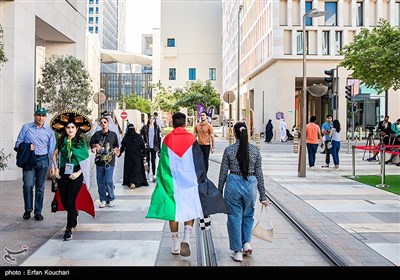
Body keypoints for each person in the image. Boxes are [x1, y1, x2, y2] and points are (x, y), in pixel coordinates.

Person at [146, 112, 228, 257]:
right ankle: (187, 238)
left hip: (172, 182)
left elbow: (163, 164)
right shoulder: (191, 139)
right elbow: (199, 162)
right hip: (189, 182)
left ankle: (175, 243)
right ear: (185, 123)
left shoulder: (167, 139)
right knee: (189, 208)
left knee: (172, 211)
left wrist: (162, 180)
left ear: (172, 123)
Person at [218, 122, 269, 262]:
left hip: (233, 182)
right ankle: (246, 243)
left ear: (234, 133)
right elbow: (259, 173)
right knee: (248, 214)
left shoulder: (229, 150)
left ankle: (237, 251)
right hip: (251, 184)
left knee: (234, 216)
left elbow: (223, 172)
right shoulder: (255, 150)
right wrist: (263, 196)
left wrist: (219, 191)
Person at [49, 110, 95, 241]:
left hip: (76, 173)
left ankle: (68, 228)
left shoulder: (80, 142)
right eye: (68, 127)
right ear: (65, 128)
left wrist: (78, 173)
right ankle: (74, 213)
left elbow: (86, 161)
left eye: (73, 127)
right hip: (63, 173)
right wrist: (56, 168)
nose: (70, 129)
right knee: (63, 200)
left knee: (70, 200)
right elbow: (54, 154)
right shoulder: (62, 141)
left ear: (77, 129)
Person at [15, 108, 56, 221]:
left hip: (43, 160)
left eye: (43, 115)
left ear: (45, 117)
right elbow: (18, 143)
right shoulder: (26, 128)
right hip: (29, 160)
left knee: (40, 187)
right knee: (28, 185)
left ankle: (38, 212)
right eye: (38, 115)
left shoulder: (49, 131)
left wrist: (52, 166)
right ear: (34, 116)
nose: (40, 117)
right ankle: (28, 209)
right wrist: (27, 146)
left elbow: (52, 150)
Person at [89, 116, 120, 208]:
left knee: (108, 180)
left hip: (110, 161)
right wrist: (95, 146)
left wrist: (115, 151)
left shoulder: (113, 135)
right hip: (99, 161)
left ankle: (111, 198)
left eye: (105, 122)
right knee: (100, 181)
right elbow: (91, 144)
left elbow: (116, 146)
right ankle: (103, 199)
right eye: (101, 123)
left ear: (108, 123)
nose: (103, 124)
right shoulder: (96, 134)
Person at [120, 124, 149, 189]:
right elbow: (143, 146)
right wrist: (145, 154)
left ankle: (132, 182)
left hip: (129, 156)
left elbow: (123, 147)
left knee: (132, 169)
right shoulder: (138, 136)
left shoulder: (126, 137)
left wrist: (119, 153)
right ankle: (134, 182)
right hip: (137, 156)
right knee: (137, 169)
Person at [140, 116, 162, 182]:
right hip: (147, 147)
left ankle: (154, 174)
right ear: (149, 120)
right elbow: (141, 136)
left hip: (154, 147)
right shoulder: (145, 127)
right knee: (147, 160)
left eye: (153, 119)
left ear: (155, 120)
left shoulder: (157, 128)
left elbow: (159, 137)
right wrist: (144, 143)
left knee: (153, 160)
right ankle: (147, 174)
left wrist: (159, 147)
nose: (152, 120)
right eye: (150, 119)